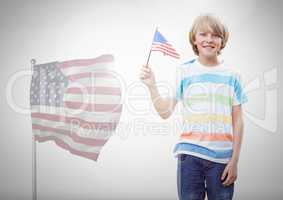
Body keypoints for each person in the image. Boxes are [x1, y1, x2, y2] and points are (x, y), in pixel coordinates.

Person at [139, 14, 248, 200]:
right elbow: (165, 112)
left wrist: (234, 161)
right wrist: (152, 85)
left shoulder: (233, 75)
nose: (209, 39)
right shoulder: (184, 71)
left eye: (215, 35)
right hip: (190, 157)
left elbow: (238, 121)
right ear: (194, 40)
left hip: (222, 161)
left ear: (222, 41)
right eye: (203, 34)